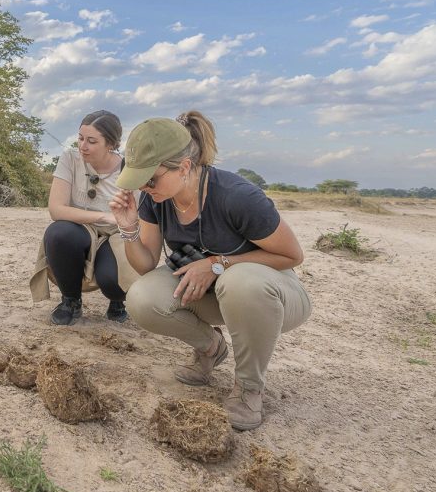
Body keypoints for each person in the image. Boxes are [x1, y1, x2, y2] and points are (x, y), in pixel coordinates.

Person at [109, 111, 312, 430]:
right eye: (138, 180)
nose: (144, 188)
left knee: (239, 281)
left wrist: (218, 264)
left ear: (185, 167)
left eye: (151, 178)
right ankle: (210, 348)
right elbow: (146, 264)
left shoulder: (237, 196)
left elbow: (291, 255)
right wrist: (129, 228)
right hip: (211, 292)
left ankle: (248, 387)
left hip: (272, 295)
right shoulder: (156, 198)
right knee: (142, 296)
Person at [28, 111, 139, 325]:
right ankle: (71, 300)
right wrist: (104, 216)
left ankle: (117, 300)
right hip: (81, 229)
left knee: (112, 280)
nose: (83, 146)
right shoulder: (70, 158)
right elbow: (56, 210)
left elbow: (137, 218)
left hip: (116, 234)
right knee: (58, 234)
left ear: (111, 144)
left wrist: (117, 223)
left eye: (91, 141)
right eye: (80, 138)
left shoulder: (128, 169)